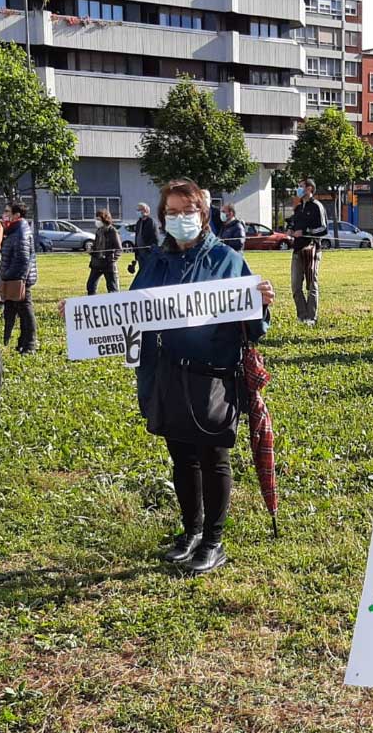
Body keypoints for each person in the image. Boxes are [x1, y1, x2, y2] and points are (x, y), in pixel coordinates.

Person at [121, 179, 275, 573]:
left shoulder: (227, 259)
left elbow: (253, 328)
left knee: (213, 458)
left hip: (213, 376)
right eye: (171, 212)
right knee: (181, 457)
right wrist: (82, 318)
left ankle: (214, 539)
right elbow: (128, 314)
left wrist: (259, 303)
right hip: (167, 373)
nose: (179, 219)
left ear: (203, 215)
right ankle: (190, 530)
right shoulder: (156, 261)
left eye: (187, 212)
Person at [0, 200, 38, 354]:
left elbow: (22, 259)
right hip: (16, 278)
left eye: (8, 212)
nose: (4, 215)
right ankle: (23, 342)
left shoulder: (21, 231)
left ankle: (30, 344)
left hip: (20, 280)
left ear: (16, 215)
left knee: (26, 312)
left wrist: (9, 277)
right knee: (22, 312)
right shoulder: (14, 230)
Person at [290, 178, 327, 325]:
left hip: (312, 250)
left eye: (301, 186)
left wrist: (305, 231)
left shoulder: (317, 206)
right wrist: (291, 230)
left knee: (311, 284)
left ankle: (311, 317)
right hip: (297, 250)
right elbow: (293, 224)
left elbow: (323, 229)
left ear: (310, 188)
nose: (298, 189)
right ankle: (302, 315)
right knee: (295, 285)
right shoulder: (298, 208)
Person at [87, 208, 121, 294]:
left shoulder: (112, 231)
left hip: (108, 264)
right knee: (90, 285)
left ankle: (114, 303)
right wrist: (91, 250)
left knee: (112, 288)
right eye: (96, 219)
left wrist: (112, 259)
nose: (96, 221)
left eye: (98, 219)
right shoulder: (98, 231)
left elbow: (119, 249)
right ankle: (92, 302)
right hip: (97, 263)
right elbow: (96, 247)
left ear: (104, 219)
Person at [133, 201, 159, 272]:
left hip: (148, 252)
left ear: (145, 210)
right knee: (142, 271)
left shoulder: (151, 222)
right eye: (137, 210)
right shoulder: (139, 222)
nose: (137, 211)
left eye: (139, 210)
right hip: (140, 253)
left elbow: (155, 237)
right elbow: (137, 237)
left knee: (149, 271)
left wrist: (151, 250)